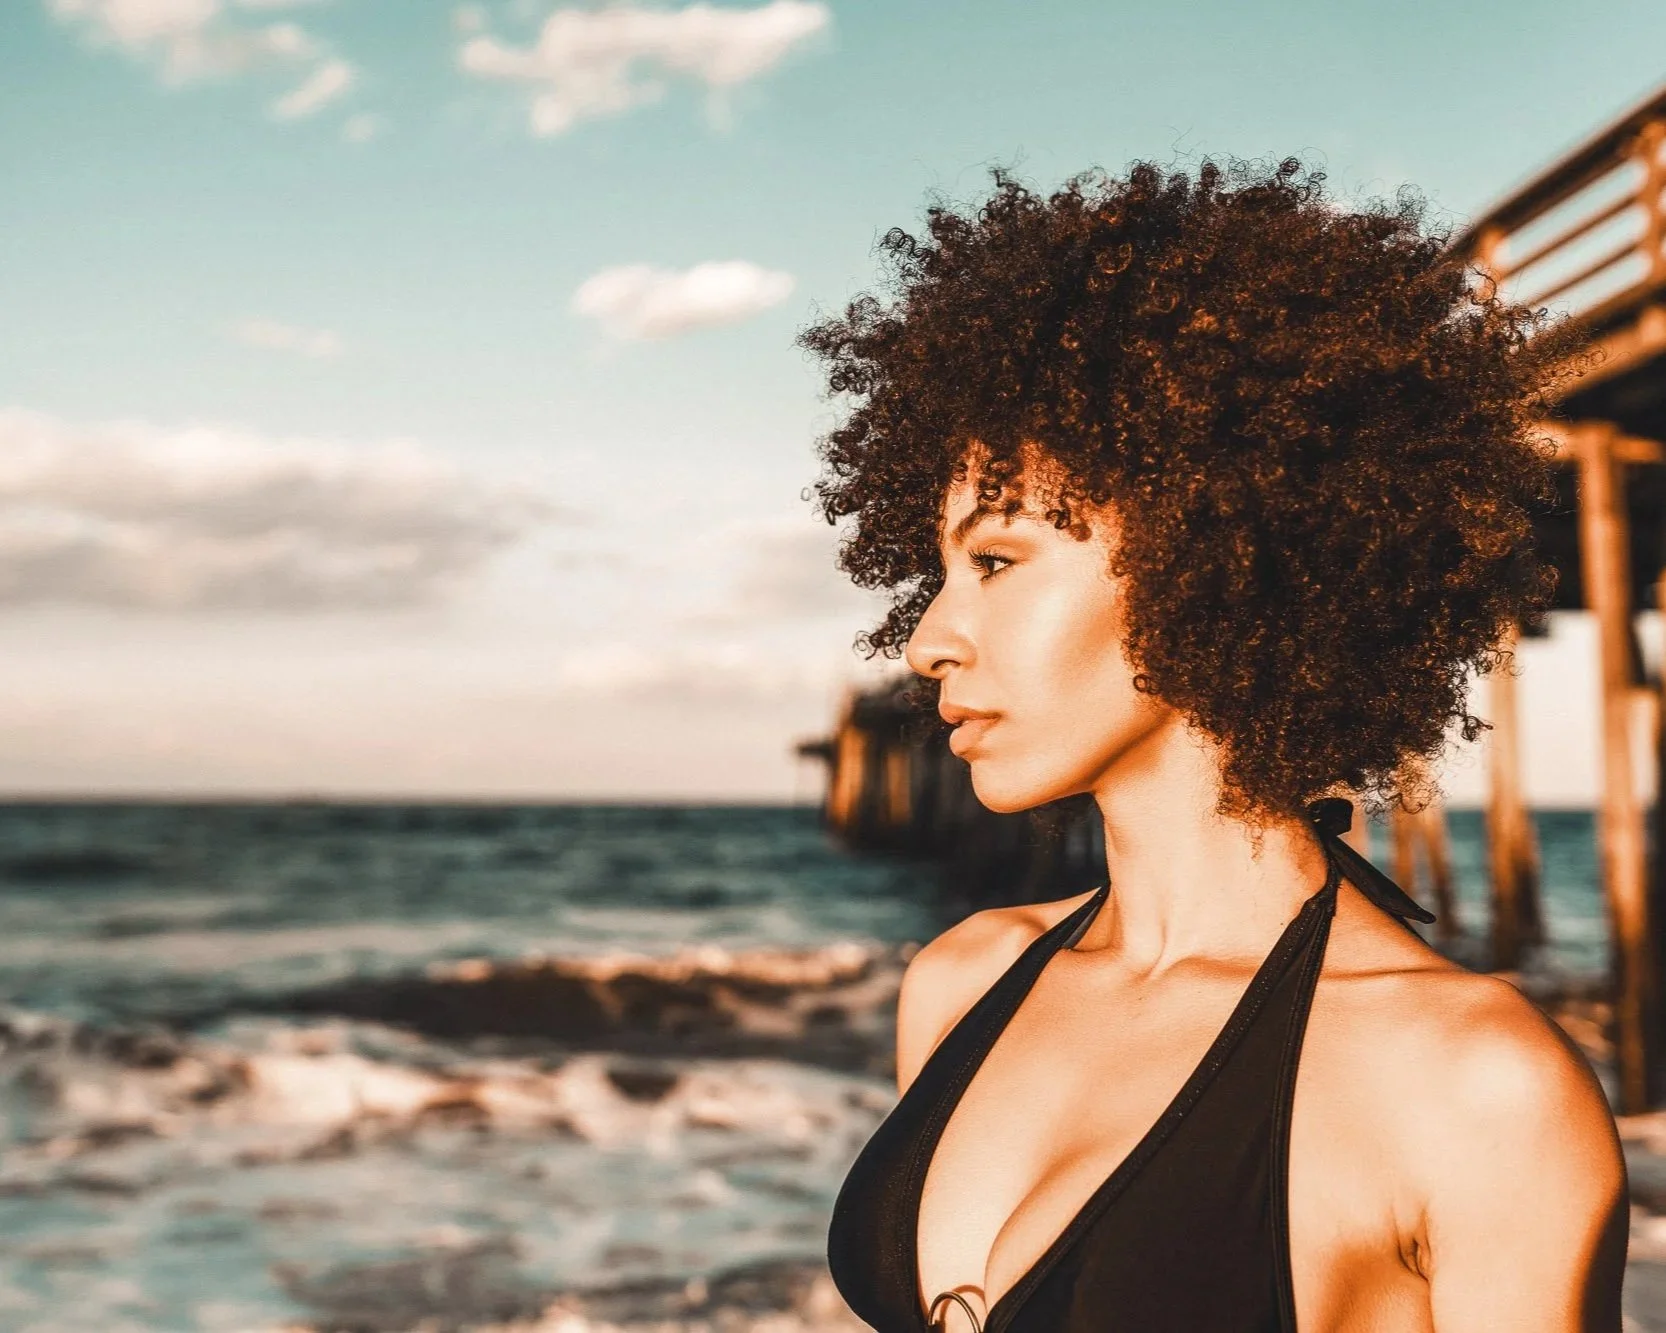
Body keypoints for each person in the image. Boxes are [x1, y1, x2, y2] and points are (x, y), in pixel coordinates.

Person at [805, 158, 1628, 1331]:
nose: (929, 639)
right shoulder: (962, 981)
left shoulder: (1470, 1087)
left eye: (994, 561)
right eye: (936, 573)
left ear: (1208, 549)